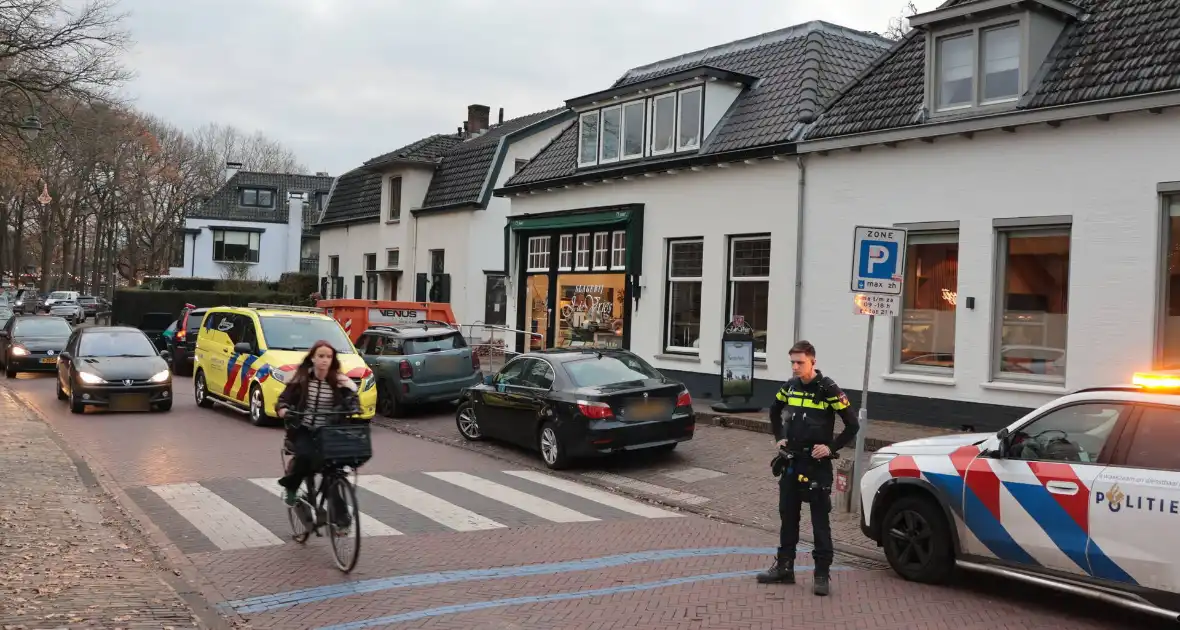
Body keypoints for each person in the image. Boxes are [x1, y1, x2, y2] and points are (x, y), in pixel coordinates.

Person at [756, 340, 859, 596]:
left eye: (800, 362)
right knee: (787, 519)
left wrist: (831, 447)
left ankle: (822, 575)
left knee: (819, 522)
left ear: (813, 360)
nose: (795, 367)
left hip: (817, 467)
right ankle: (784, 568)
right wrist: (779, 436)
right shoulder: (790, 387)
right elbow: (774, 410)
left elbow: (852, 425)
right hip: (792, 462)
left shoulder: (828, 389)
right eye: (792, 362)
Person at [275, 340, 360, 528]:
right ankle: (291, 488)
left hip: (328, 433)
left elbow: (351, 398)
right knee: (305, 456)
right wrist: (283, 409)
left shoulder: (339, 380)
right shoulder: (301, 378)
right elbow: (284, 398)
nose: (324, 360)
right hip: (304, 429)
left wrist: (354, 406)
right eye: (321, 356)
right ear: (313, 358)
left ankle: (341, 519)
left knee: (333, 472)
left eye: (329, 357)